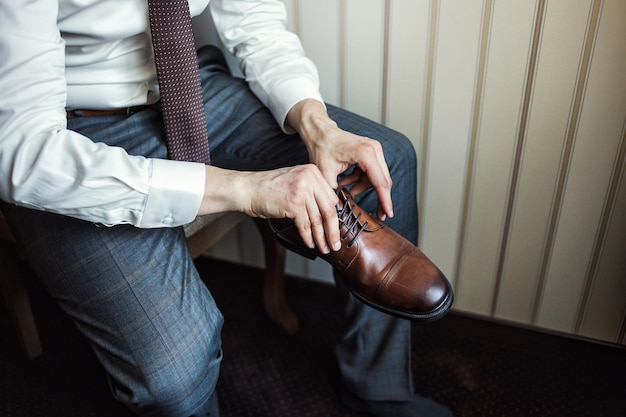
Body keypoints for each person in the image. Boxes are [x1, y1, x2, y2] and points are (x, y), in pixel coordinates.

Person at [0, 1, 453, 416]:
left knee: (387, 158)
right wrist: (247, 190)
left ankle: (377, 387)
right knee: (173, 374)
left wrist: (318, 126)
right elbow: (23, 151)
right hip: (69, 130)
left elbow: (253, 18)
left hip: (190, 87)